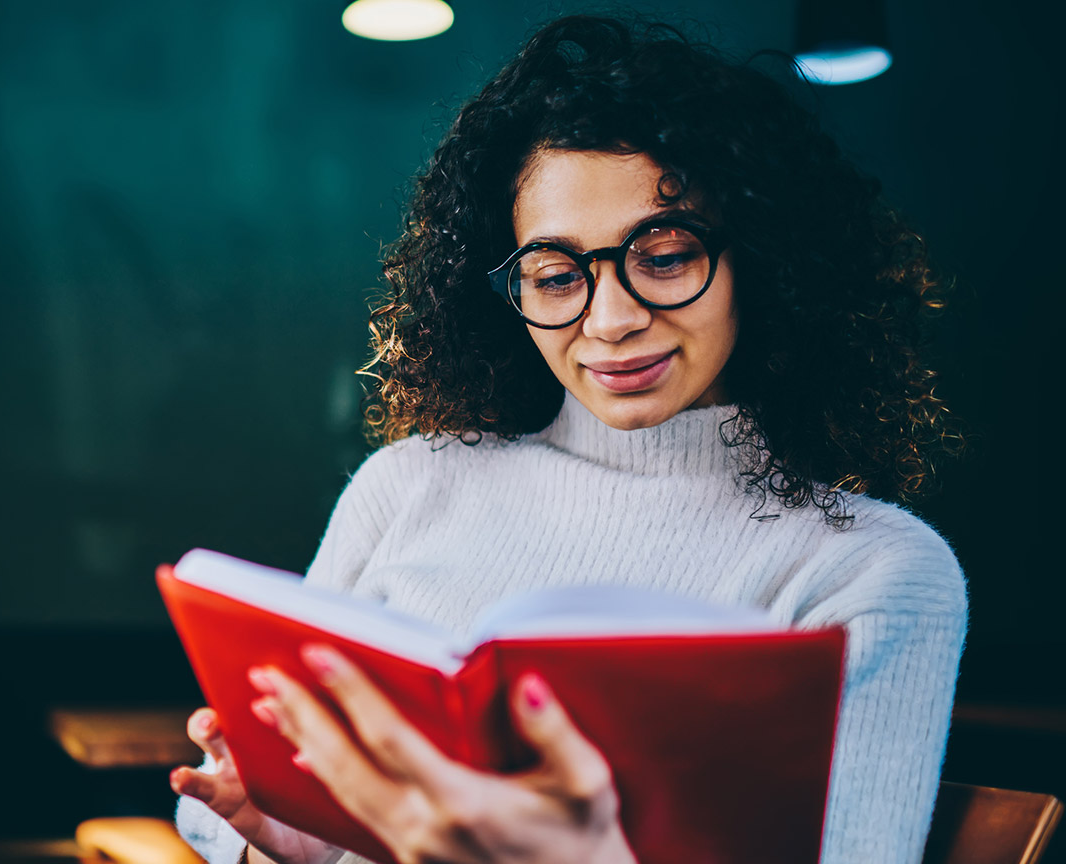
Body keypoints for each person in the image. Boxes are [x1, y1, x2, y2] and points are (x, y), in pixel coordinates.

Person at [172, 13, 965, 864]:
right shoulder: (408, 486)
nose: (612, 321)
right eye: (555, 276)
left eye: (664, 257)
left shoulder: (873, 572)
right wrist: (293, 839)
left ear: (763, 263)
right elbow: (259, 829)